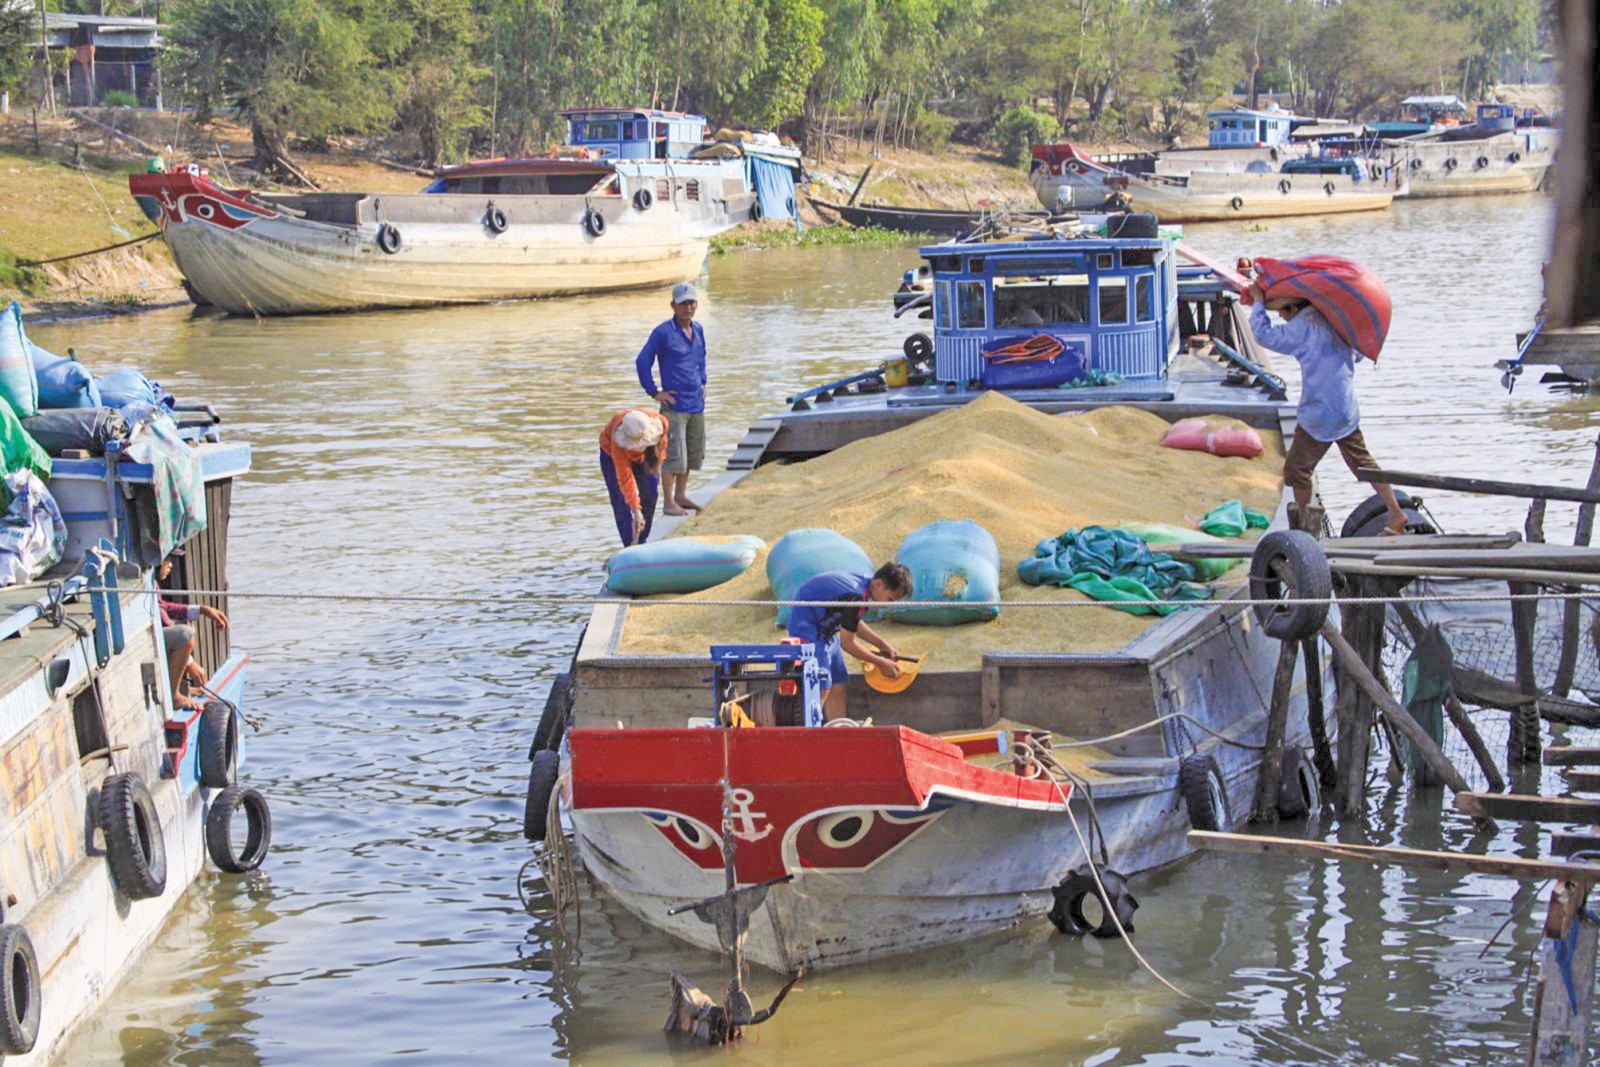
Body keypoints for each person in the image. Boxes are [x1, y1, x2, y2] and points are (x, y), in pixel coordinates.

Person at [1246, 283, 1409, 534]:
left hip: (1319, 414)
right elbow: (1358, 353)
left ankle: (1303, 526)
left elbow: (1263, 335)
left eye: (1283, 312)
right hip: (1344, 409)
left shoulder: (1303, 327)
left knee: (1296, 470)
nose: (1283, 317)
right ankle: (1396, 513)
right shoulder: (1336, 320)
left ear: (1293, 307)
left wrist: (1258, 302)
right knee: (1363, 464)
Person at [786, 563, 914, 721]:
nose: (889, 605)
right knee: (822, 684)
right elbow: (847, 643)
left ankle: (838, 728)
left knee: (839, 681)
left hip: (825, 630)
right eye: (890, 599)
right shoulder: (856, 596)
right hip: (807, 627)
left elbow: (852, 622)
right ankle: (808, 730)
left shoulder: (864, 587)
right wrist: (881, 663)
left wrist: (881, 644)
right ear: (879, 583)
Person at [636, 281, 707, 517]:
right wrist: (655, 391)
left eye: (691, 302)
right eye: (683, 303)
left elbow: (701, 359)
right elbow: (642, 361)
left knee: (692, 452)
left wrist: (703, 382)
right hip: (674, 405)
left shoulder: (698, 330)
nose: (688, 307)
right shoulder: (663, 332)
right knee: (673, 454)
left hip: (696, 403)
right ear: (673, 306)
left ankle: (681, 495)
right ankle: (668, 502)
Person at [157, 550, 229, 711]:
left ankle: (181, 689)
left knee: (179, 632)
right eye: (166, 560)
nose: (170, 565)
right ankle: (174, 696)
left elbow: (165, 607)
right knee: (185, 635)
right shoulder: (148, 583)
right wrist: (190, 662)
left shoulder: (153, 584)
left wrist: (202, 610)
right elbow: (163, 621)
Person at [599, 408, 670, 546]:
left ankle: (641, 540)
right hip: (610, 454)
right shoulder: (617, 440)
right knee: (620, 499)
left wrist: (656, 468)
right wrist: (636, 510)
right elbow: (625, 479)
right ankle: (630, 545)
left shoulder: (661, 424)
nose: (637, 446)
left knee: (651, 491)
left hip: (644, 456)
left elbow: (661, 451)